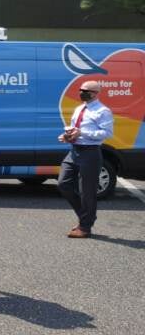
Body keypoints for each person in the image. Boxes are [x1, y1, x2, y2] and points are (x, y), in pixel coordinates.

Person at [57, 81, 113, 239]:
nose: (81, 92)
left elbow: (106, 133)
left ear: (95, 93)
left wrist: (82, 133)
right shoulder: (79, 108)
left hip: (90, 152)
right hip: (74, 151)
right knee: (63, 183)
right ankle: (86, 217)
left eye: (85, 91)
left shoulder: (103, 111)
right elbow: (75, 129)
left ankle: (85, 227)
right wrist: (68, 136)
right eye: (80, 90)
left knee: (87, 192)